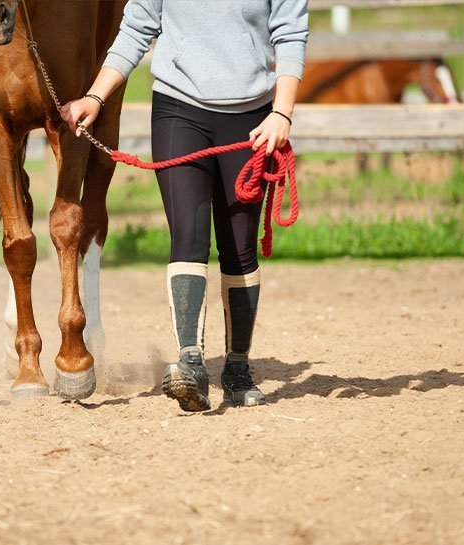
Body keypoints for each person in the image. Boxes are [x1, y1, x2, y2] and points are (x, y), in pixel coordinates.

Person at [60, 0, 308, 412]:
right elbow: (137, 27)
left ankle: (237, 369)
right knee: (188, 238)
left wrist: (282, 112)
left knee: (239, 248)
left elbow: (290, 34)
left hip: (251, 117)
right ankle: (190, 363)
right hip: (179, 111)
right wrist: (95, 97)